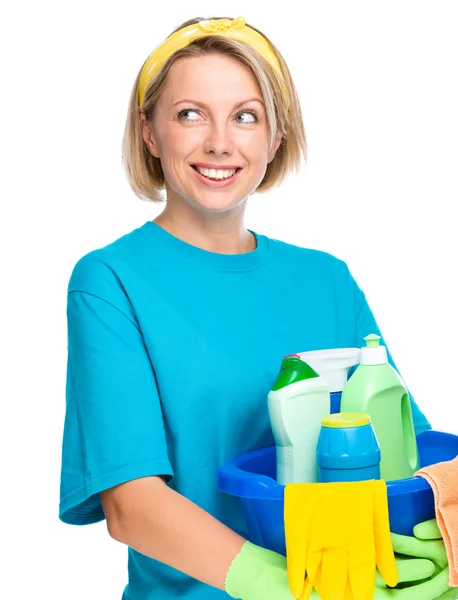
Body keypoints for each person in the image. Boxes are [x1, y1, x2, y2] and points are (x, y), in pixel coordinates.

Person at [59, 15, 439, 600]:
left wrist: (437, 545)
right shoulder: (112, 281)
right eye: (190, 114)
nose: (219, 141)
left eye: (246, 116)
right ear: (149, 133)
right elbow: (131, 505)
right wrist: (294, 587)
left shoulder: (326, 279)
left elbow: (409, 455)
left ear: (275, 137)